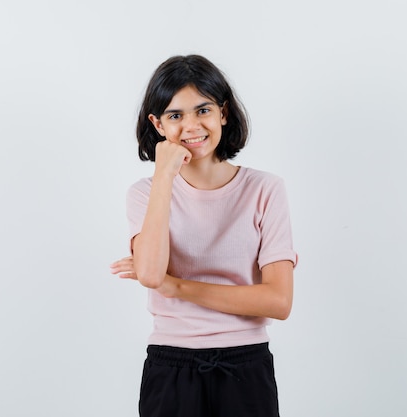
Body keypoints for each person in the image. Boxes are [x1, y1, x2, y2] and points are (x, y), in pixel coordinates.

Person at [109, 55, 297, 417]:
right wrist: (164, 174)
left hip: (246, 366)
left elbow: (278, 301)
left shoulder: (265, 189)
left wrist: (176, 287)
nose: (192, 125)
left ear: (223, 113)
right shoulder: (143, 193)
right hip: (171, 366)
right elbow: (150, 275)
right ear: (157, 124)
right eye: (175, 115)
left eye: (203, 110)